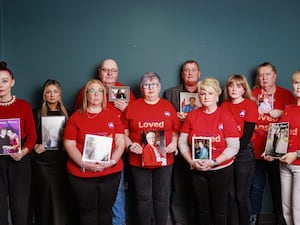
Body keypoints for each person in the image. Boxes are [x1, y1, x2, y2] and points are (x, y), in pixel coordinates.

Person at [73, 58, 135, 225]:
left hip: (116, 150)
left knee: (117, 191)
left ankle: (118, 223)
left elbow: (136, 122)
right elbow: (77, 117)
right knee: (91, 196)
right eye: (106, 70)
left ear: (117, 73)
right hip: (89, 152)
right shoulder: (85, 91)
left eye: (113, 70)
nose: (109, 73)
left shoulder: (124, 91)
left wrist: (127, 109)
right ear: (99, 71)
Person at [178, 77, 240, 225]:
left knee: (219, 211)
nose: (206, 97)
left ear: (217, 95)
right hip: (198, 169)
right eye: (202, 93)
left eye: (210, 93)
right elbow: (182, 142)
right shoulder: (192, 116)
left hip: (221, 169)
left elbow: (233, 146)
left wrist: (214, 162)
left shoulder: (225, 116)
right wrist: (191, 162)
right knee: (202, 209)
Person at [64, 79, 125, 225]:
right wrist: (84, 164)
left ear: (104, 95)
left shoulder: (112, 116)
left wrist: (112, 162)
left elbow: (120, 142)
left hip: (110, 173)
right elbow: (69, 144)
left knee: (106, 211)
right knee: (87, 213)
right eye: (92, 90)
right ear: (86, 95)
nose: (96, 94)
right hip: (82, 175)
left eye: (100, 91)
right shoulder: (75, 118)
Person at [123, 72, 181, 225]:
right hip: (138, 160)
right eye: (147, 85)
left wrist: (174, 142)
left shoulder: (167, 106)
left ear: (159, 87)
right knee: (143, 198)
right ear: (142, 88)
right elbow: (123, 132)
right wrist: (129, 144)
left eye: (154, 84)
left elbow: (176, 130)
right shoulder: (132, 107)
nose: (150, 88)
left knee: (161, 197)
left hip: (165, 160)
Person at [250, 62, 295, 225]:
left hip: (279, 150)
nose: (264, 78)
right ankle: (253, 217)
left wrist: (282, 113)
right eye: (261, 75)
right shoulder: (252, 94)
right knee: (256, 186)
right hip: (256, 149)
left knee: (278, 187)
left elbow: (295, 117)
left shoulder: (286, 95)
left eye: (267, 74)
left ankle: (280, 217)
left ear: (274, 76)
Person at [31, 79, 75, 225]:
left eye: (55, 92)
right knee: (45, 195)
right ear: (44, 94)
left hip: (61, 160)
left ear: (60, 94)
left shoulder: (68, 114)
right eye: (48, 92)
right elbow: (29, 137)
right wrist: (35, 145)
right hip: (42, 162)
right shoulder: (36, 113)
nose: (52, 95)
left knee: (62, 194)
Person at [163, 59, 201, 225]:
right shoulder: (170, 93)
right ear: (182, 74)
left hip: (202, 146)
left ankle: (199, 220)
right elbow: (164, 121)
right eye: (187, 70)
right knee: (179, 186)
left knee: (200, 186)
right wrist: (175, 119)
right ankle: (180, 221)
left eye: (193, 70)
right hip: (178, 146)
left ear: (199, 74)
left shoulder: (208, 91)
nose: (190, 73)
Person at [0, 61, 37, 225]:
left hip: (19, 160)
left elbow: (32, 135)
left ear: (12, 82)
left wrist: (23, 151)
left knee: (20, 208)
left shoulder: (23, 106)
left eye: (5, 81)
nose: (1, 85)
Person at [221, 74, 258, 225]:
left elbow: (247, 136)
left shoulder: (250, 105)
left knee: (241, 196)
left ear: (244, 89)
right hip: (227, 152)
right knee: (230, 194)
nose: (234, 89)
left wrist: (233, 152)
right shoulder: (223, 106)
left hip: (243, 153)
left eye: (238, 86)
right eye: (231, 86)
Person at [279, 70, 300, 225]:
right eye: (296, 82)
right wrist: (272, 152)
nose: (298, 86)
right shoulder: (289, 109)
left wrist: (297, 154)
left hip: (299, 166)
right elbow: (281, 136)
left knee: (297, 209)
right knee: (286, 209)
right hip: (284, 164)